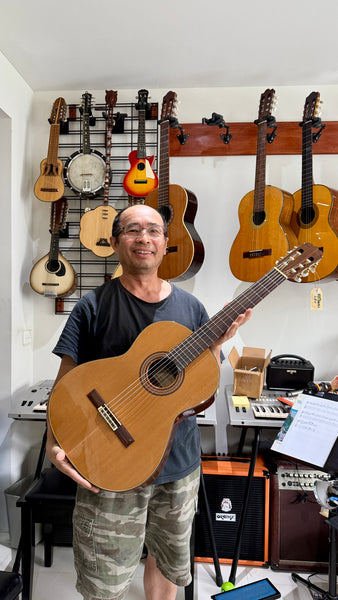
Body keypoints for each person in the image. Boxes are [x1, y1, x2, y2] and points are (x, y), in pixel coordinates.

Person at [46, 204, 251, 600]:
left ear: (165, 243)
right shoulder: (92, 306)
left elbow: (199, 383)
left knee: (169, 561)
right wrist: (57, 441)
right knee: (104, 579)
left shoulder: (192, 310)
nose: (144, 238)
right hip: (109, 463)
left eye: (153, 230)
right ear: (115, 242)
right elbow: (67, 384)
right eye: (133, 229)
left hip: (177, 467)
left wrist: (219, 345)